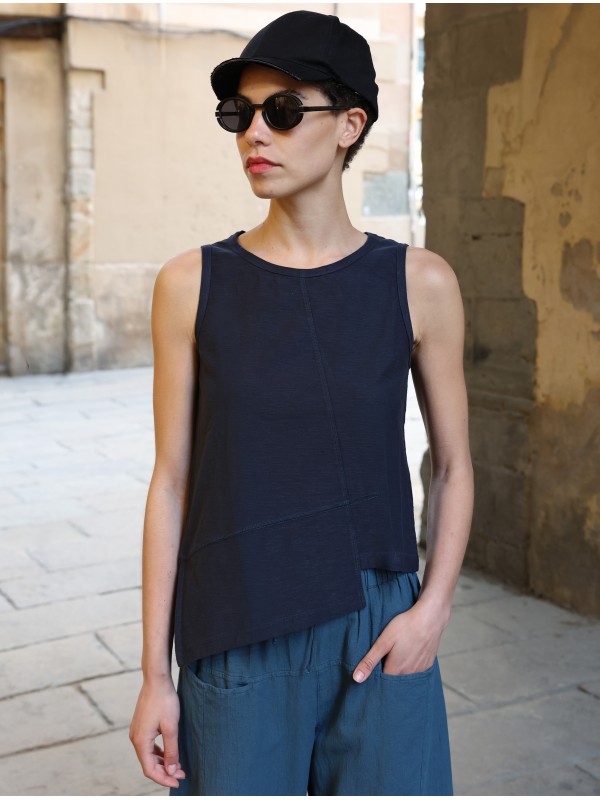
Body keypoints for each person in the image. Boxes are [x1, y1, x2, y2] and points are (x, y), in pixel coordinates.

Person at [129, 9, 474, 796]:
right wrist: (153, 674)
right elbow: (171, 482)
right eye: (239, 113)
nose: (255, 132)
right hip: (238, 620)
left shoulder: (420, 283)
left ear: (351, 125)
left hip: (379, 626)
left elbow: (453, 465)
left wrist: (433, 609)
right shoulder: (190, 284)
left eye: (282, 110)